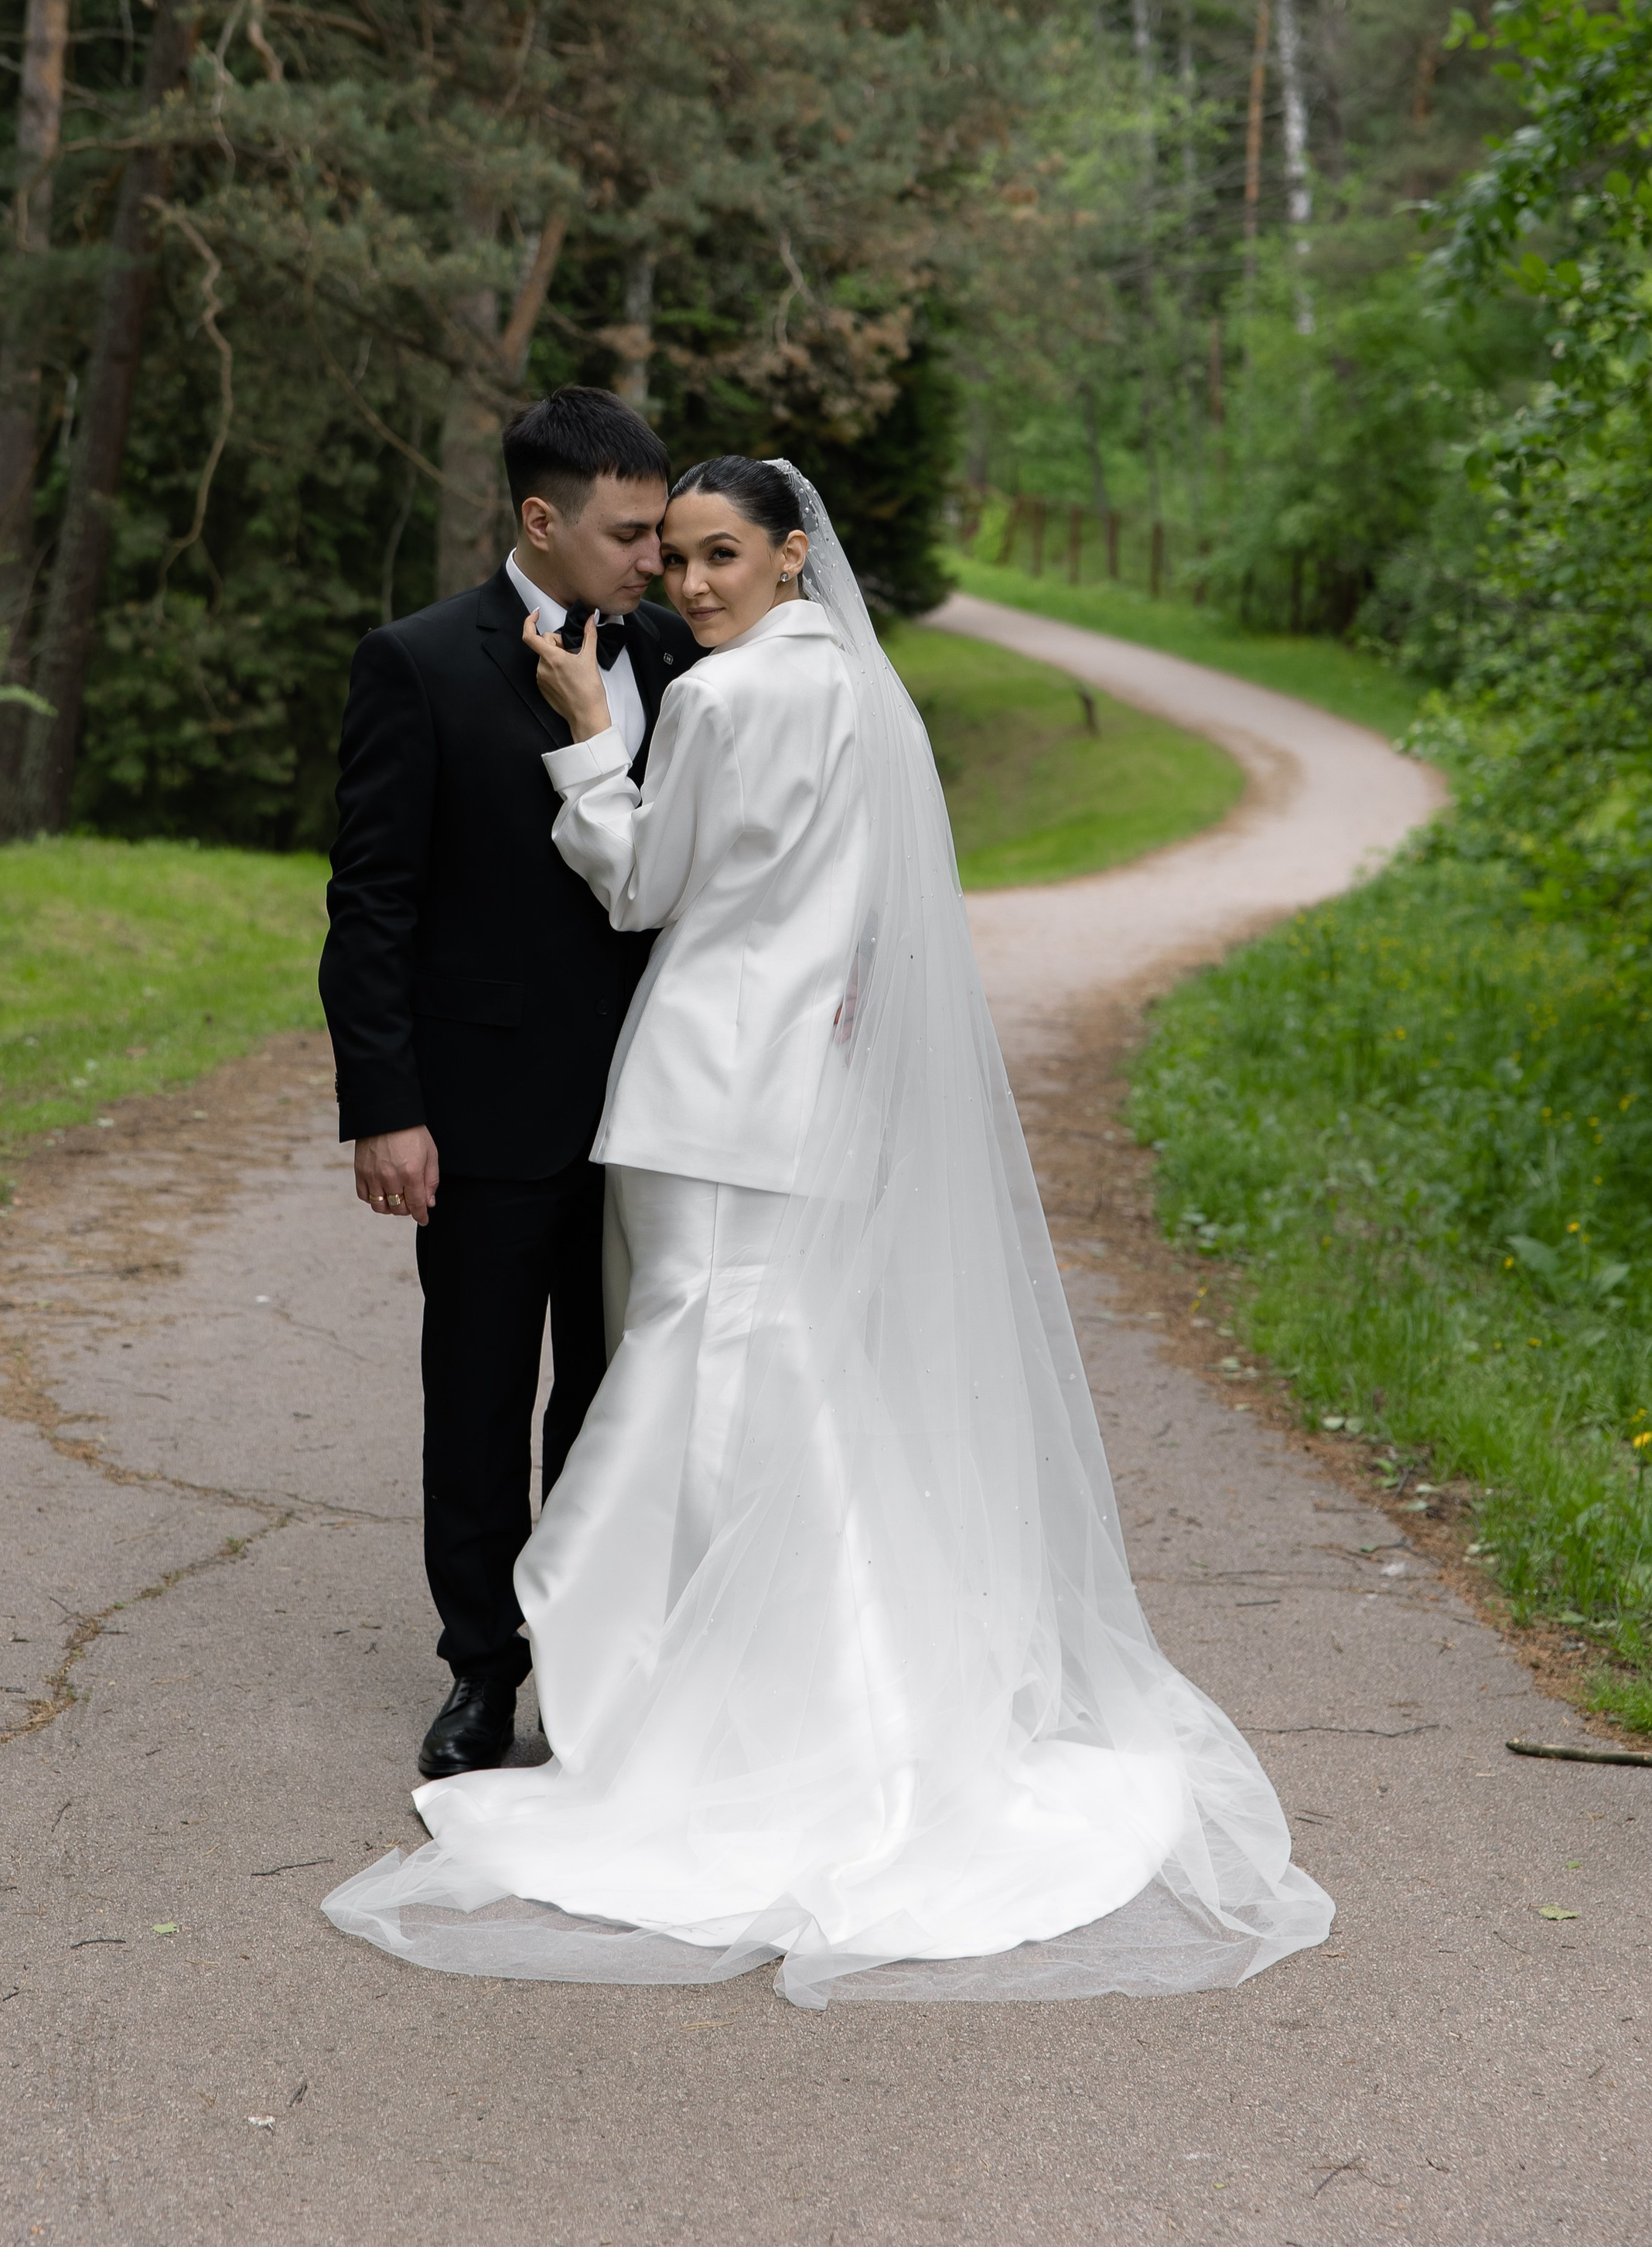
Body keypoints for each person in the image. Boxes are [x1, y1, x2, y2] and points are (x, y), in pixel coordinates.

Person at [323, 456, 1333, 2006]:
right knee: (772, 1384)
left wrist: (591, 750)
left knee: (697, 1384)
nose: (692, 587)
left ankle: (722, 1711)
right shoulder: (866, 694)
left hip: (698, 1092)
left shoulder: (722, 702)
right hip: (806, 1096)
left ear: (791, 555)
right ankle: (842, 1688)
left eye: (720, 556)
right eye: (674, 563)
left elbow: (642, 886)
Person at [319, 385, 697, 1783]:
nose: (654, 562)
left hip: (662, 1106)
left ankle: (601, 1665)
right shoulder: (414, 662)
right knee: (480, 1397)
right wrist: (385, 1102)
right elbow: (373, 904)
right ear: (540, 522)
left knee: (617, 1400)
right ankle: (483, 1669)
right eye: (628, 535)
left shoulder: (674, 649)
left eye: (660, 534)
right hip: (480, 1108)